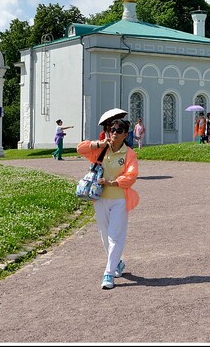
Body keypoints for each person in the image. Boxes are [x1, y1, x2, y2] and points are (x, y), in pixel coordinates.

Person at [76, 111, 140, 290]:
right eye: (112, 129)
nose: (114, 133)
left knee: (115, 237)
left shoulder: (129, 154)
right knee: (105, 236)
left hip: (119, 199)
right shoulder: (101, 149)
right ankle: (117, 263)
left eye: (119, 130)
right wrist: (100, 143)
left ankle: (109, 273)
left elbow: (132, 176)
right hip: (99, 198)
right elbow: (80, 149)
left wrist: (112, 182)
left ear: (125, 135)